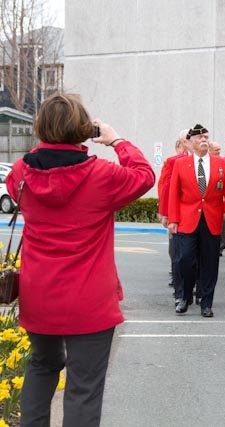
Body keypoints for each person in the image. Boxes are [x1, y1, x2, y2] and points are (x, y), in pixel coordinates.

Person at [7, 93, 155, 427]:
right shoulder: (101, 175)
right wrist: (116, 139)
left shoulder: (21, 172)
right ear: (82, 130)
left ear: (41, 128)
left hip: (39, 294)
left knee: (42, 365)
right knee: (84, 387)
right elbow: (144, 174)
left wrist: (46, 144)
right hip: (89, 299)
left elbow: (24, 171)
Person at [169, 124, 225, 317]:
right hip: (187, 220)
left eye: (206, 137)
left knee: (209, 264)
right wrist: (173, 219)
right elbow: (174, 194)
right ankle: (184, 295)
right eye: (199, 138)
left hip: (212, 220)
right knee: (185, 259)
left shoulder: (221, 164)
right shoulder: (181, 164)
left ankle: (206, 303)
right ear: (191, 142)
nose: (203, 140)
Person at [157, 130, 191, 291]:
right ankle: (177, 276)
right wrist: (164, 213)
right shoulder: (172, 162)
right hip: (176, 213)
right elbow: (165, 187)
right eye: (186, 140)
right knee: (176, 248)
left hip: (196, 214)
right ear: (182, 142)